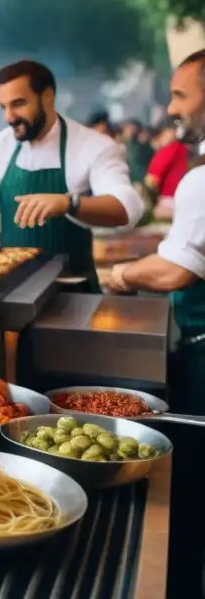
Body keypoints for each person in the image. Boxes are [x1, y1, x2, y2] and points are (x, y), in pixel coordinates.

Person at [107, 49, 205, 598]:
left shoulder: (200, 179)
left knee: (192, 482)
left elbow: (175, 272)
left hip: (202, 346)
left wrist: (120, 274)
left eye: (181, 95)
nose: (171, 107)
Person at [0, 60, 143, 291]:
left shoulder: (94, 146)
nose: (9, 116)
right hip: (11, 291)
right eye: (3, 107)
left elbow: (129, 210)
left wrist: (67, 203)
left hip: (72, 293)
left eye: (18, 104)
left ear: (47, 96)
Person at [145, 116, 188, 221]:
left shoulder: (169, 149)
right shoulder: (183, 149)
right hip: (182, 198)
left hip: (169, 201)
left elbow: (151, 180)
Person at [120, 119, 154, 185]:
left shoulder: (143, 148)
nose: (131, 132)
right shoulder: (118, 145)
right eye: (129, 129)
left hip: (136, 182)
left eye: (134, 130)